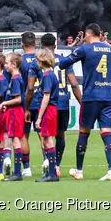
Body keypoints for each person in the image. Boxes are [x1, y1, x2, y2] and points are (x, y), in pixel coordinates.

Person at [58, 23, 111, 182]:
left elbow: (63, 64)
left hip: (91, 96)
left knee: (84, 132)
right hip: (108, 96)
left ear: (88, 34)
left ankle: (79, 170)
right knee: (106, 132)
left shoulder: (85, 48)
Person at [41, 33, 81, 177]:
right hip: (63, 102)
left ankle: (48, 163)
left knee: (46, 135)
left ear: (41, 45)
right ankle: (56, 165)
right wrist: (82, 103)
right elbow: (74, 84)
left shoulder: (40, 61)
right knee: (60, 135)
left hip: (47, 103)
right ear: (55, 45)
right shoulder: (64, 61)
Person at [34, 49, 60, 183]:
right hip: (49, 109)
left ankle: (52, 173)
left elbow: (46, 96)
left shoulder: (48, 76)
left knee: (48, 140)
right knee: (45, 139)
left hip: (49, 110)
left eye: (37, 59)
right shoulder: (48, 74)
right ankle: (51, 172)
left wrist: (39, 117)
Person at [1, 53, 27, 181]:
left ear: (14, 64)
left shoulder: (16, 78)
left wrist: (5, 103)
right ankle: (16, 172)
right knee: (14, 139)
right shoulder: (14, 78)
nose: (5, 65)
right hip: (13, 111)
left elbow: (18, 99)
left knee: (16, 140)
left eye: (6, 63)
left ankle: (17, 172)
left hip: (16, 112)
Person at [20, 31, 38, 176]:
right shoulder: (43, 58)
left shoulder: (20, 61)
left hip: (25, 102)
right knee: (44, 135)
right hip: (42, 101)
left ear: (22, 44)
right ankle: (49, 165)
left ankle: (26, 169)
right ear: (36, 43)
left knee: (24, 136)